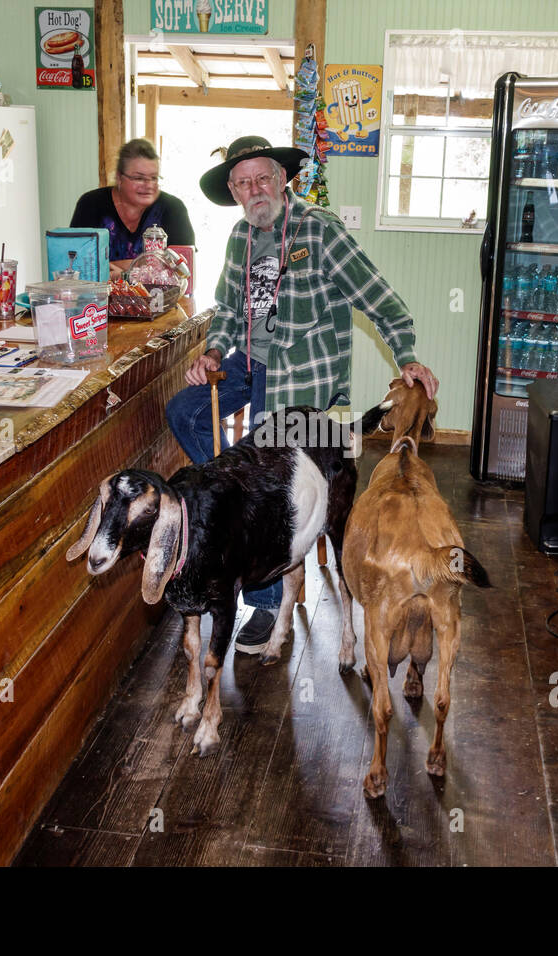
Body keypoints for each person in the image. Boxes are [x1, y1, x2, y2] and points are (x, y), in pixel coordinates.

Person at [165, 134, 439, 655]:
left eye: (263, 178)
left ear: (283, 179)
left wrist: (405, 355)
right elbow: (225, 310)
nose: (254, 190)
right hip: (248, 361)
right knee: (185, 411)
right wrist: (213, 353)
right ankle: (239, 502)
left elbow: (382, 299)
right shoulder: (239, 239)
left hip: (300, 376)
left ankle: (266, 600)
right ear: (233, 191)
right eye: (243, 184)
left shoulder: (320, 231)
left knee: (268, 463)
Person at [69, 139, 196, 280]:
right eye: (139, 178)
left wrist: (121, 271)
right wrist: (152, 269)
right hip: (99, 300)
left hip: (161, 300)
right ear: (119, 178)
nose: (148, 185)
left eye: (154, 178)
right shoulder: (91, 204)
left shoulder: (173, 209)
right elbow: (76, 265)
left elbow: (185, 272)